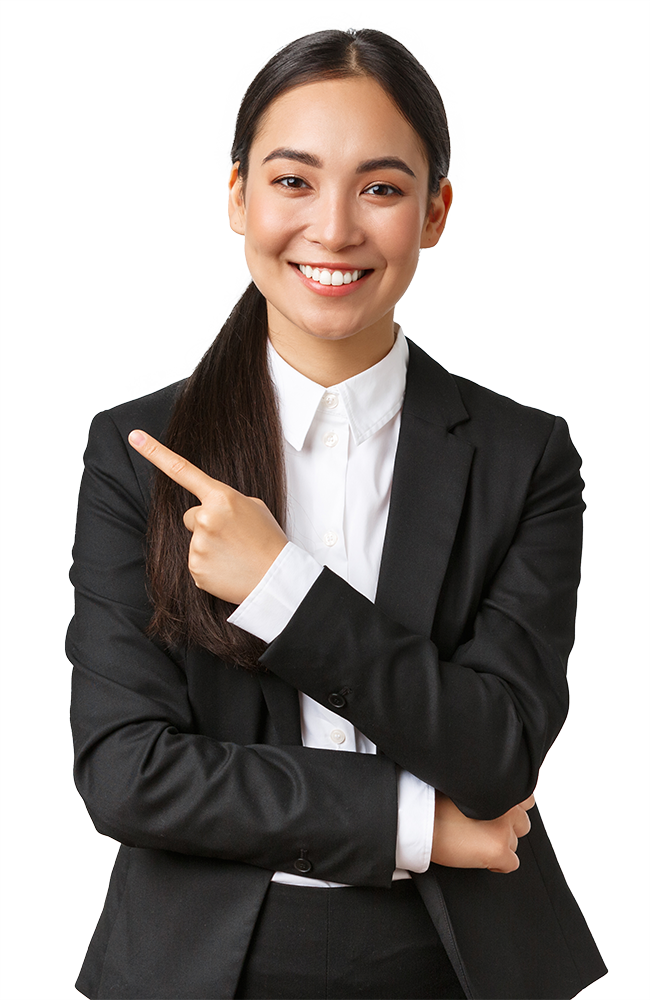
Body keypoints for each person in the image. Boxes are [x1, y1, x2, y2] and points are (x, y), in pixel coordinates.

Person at [67, 27, 607, 1000]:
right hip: (196, 961)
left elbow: (497, 752)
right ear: (238, 195)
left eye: (381, 188)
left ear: (433, 212)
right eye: (292, 181)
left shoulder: (523, 457)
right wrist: (415, 825)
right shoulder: (140, 454)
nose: (333, 228)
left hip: (456, 962)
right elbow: (127, 771)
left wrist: (283, 587)